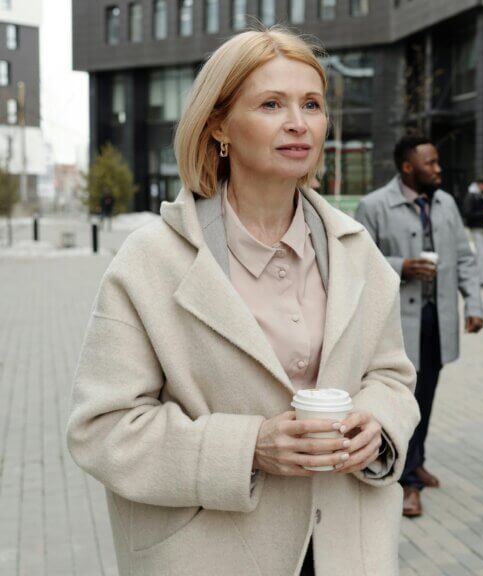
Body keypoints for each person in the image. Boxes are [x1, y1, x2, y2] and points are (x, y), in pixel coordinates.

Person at [66, 28, 419, 576]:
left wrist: (377, 422)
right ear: (219, 126)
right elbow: (102, 429)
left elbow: (392, 376)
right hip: (210, 552)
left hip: (348, 547)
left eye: (312, 104)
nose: (298, 123)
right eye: (272, 104)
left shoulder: (357, 250)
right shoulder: (151, 260)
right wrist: (248, 447)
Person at [355, 135, 483, 518]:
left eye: (438, 162)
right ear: (408, 167)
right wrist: (402, 267)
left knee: (426, 396)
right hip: (396, 325)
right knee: (403, 399)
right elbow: (357, 262)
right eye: (431, 163)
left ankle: (417, 460)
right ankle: (407, 481)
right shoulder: (373, 205)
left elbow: (464, 257)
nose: (438, 169)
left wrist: (473, 304)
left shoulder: (446, 203)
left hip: (438, 319)